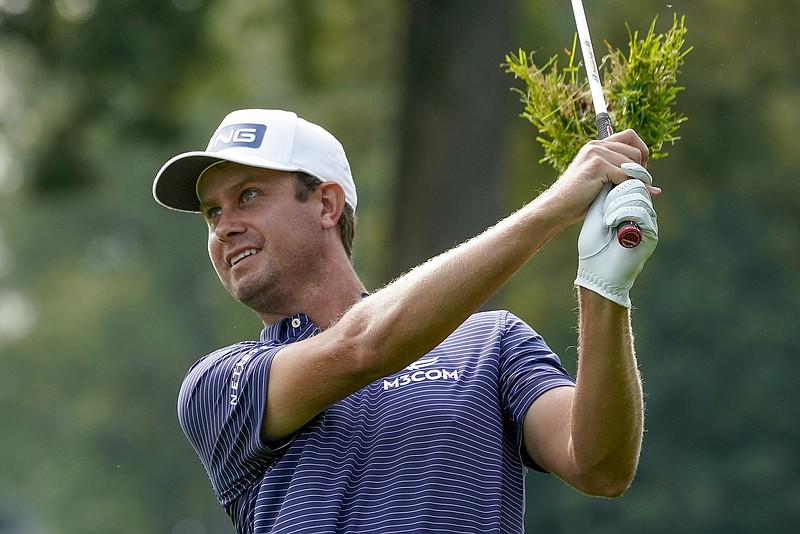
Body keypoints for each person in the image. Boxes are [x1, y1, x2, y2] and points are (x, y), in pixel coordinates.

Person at [152, 108, 659, 534]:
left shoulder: (492, 343)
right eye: (212, 213)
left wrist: (604, 288)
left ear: (326, 204)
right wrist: (552, 208)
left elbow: (600, 466)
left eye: (248, 196)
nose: (225, 228)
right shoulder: (221, 384)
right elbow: (362, 347)